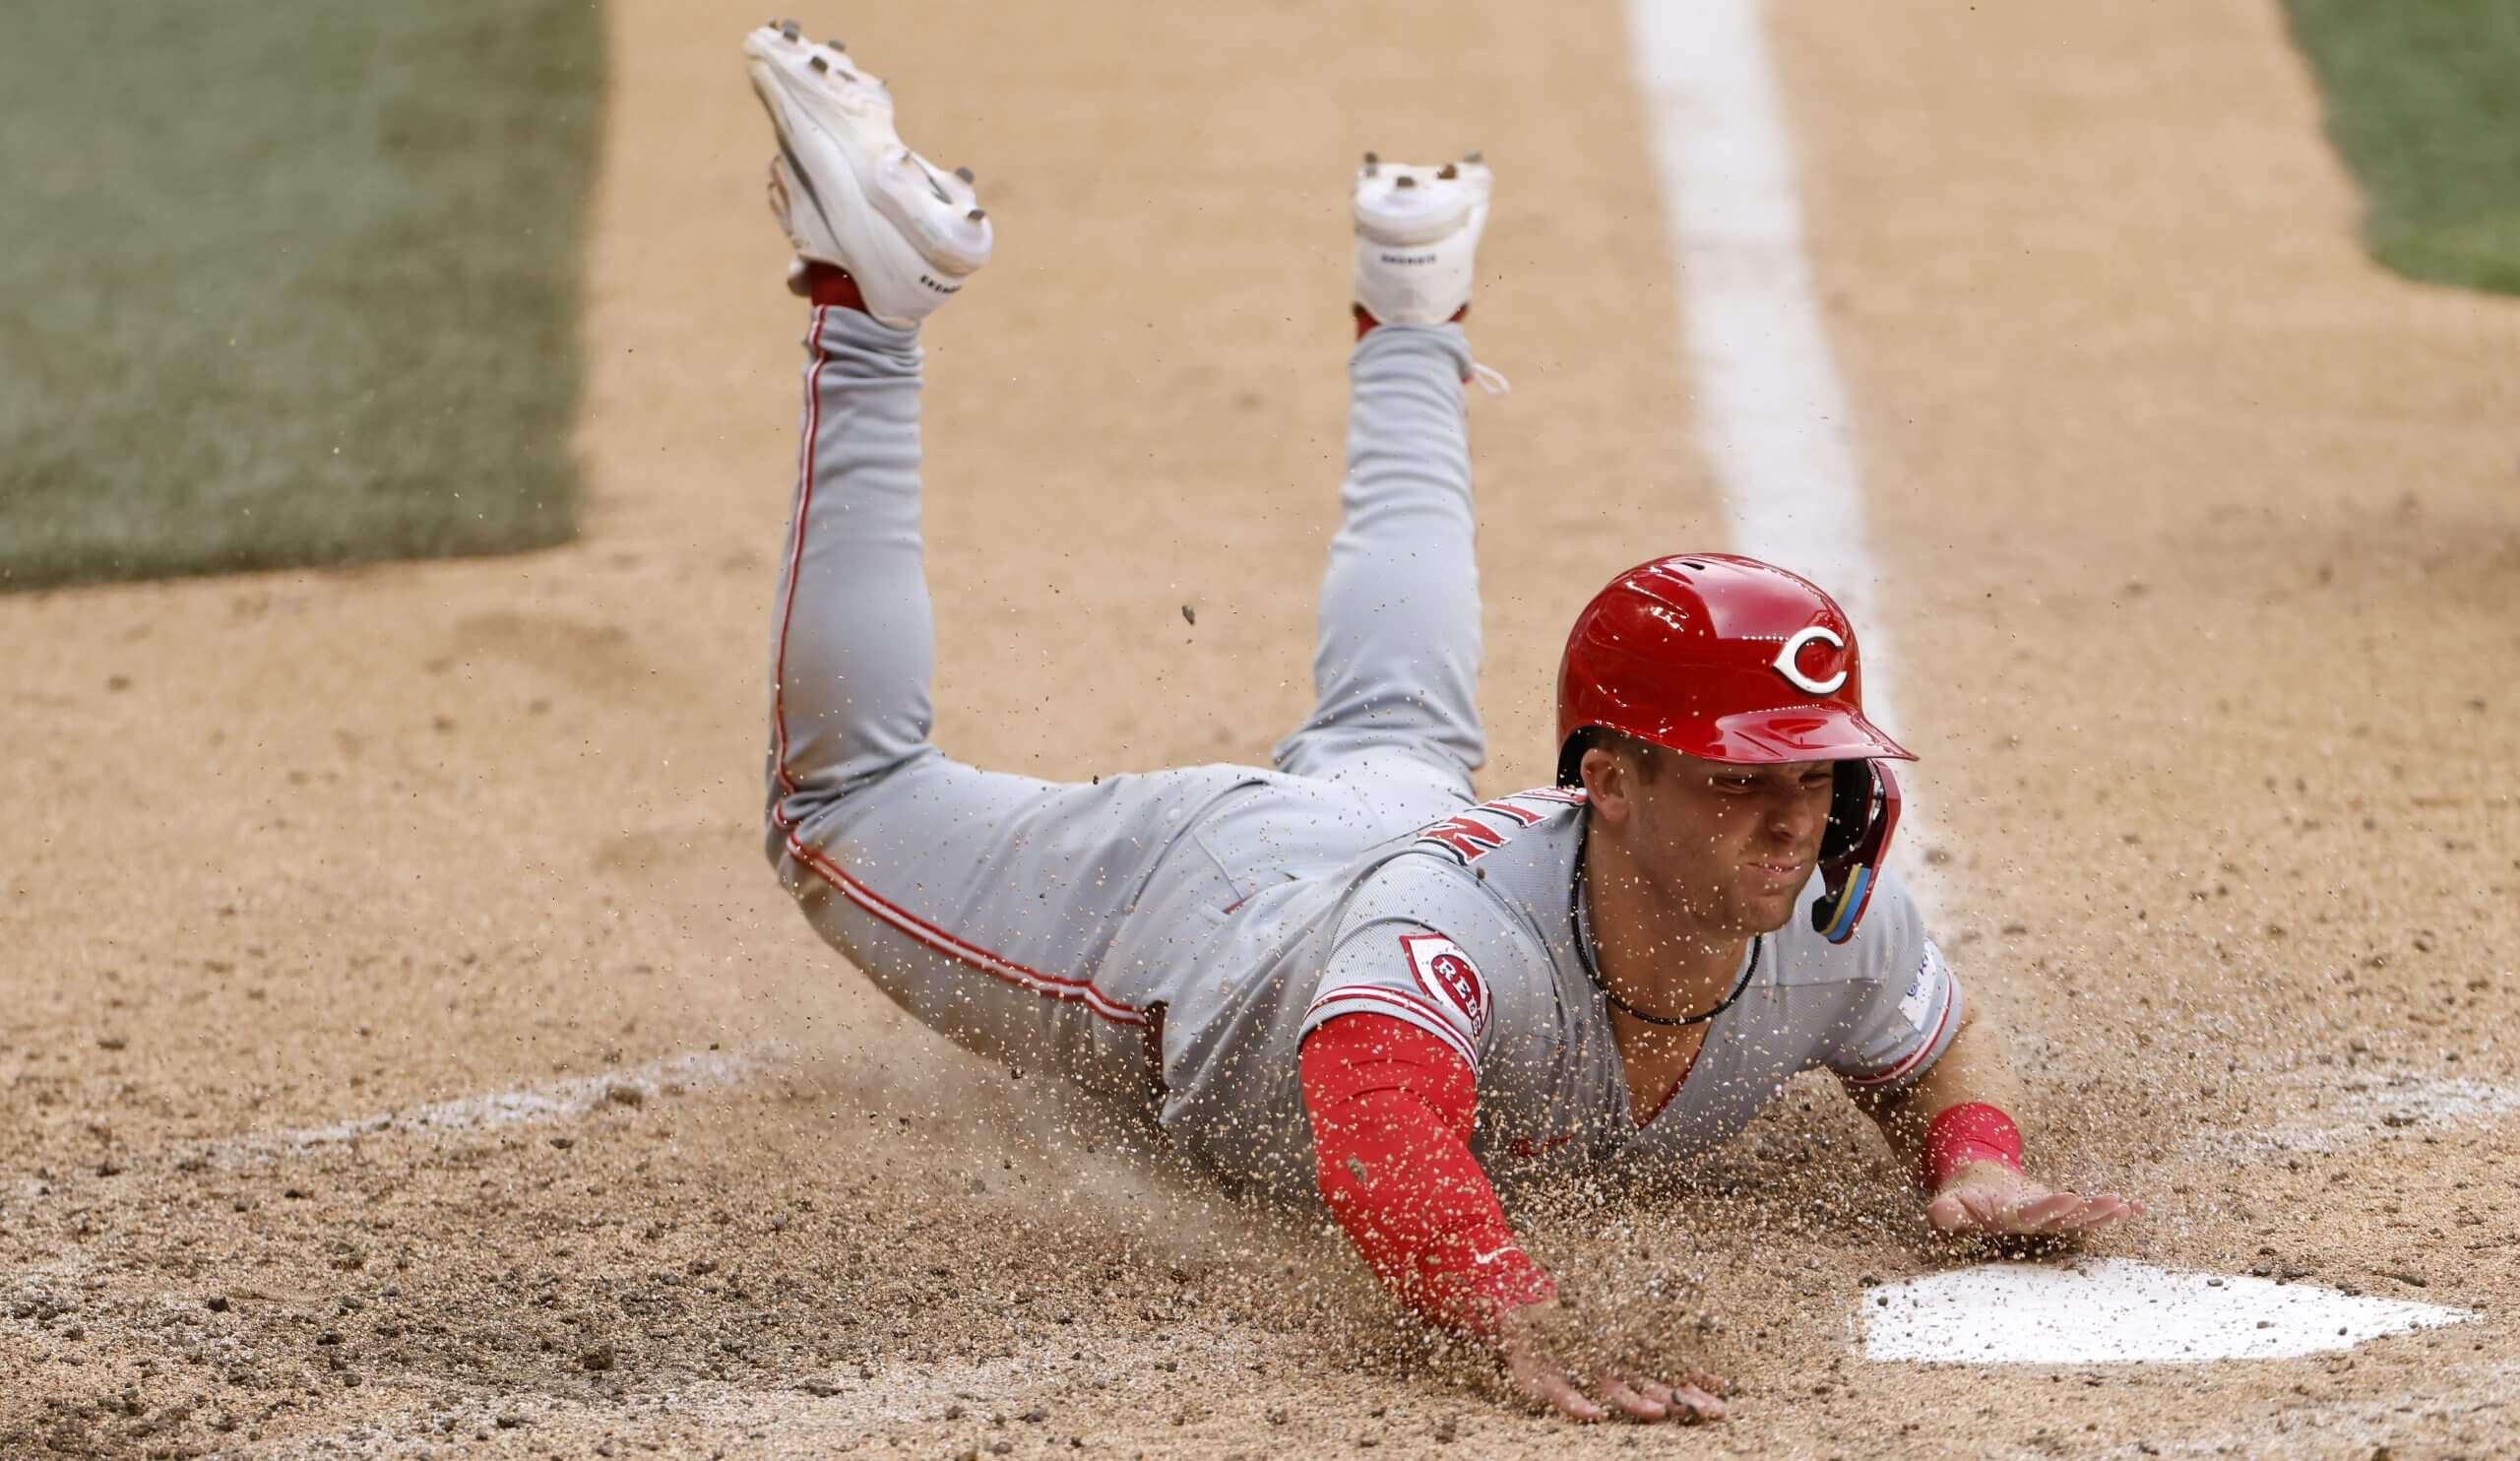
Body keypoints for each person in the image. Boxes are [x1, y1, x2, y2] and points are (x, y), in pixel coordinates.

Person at [742, 21, 2144, 1424]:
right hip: (1201, 895)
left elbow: (1934, 1032)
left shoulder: (1828, 923)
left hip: (1392, 820)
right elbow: (1376, 1115)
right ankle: (865, 308)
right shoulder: (1454, 941)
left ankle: (1412, 323)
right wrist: (1510, 1315)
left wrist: (1974, 1157)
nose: (1796, 816)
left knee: (1398, 723)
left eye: (1820, 772)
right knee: (842, 805)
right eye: (1738, 780)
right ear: (1612, 782)